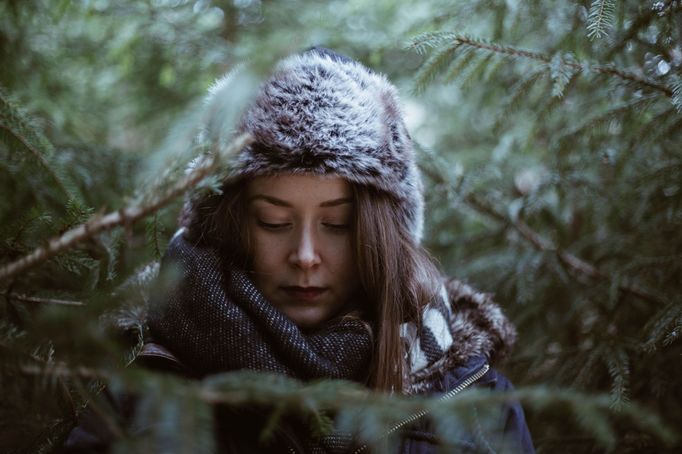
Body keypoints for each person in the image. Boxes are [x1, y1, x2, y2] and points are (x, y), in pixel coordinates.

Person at [67, 47, 534, 453]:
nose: (306, 255)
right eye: (274, 222)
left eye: (338, 224)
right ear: (228, 226)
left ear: (382, 235)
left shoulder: (473, 396)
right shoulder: (138, 375)